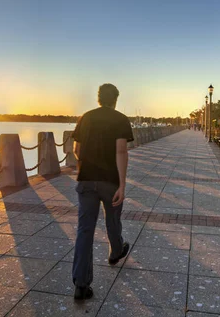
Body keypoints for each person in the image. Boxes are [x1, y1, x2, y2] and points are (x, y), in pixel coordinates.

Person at [71, 83, 133, 301]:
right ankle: (116, 251)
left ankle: (81, 284)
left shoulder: (85, 118)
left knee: (84, 229)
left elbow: (76, 150)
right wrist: (122, 185)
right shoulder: (120, 119)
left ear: (98, 98)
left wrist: (88, 166)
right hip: (110, 181)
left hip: (86, 180)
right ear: (115, 99)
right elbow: (121, 150)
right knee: (113, 219)